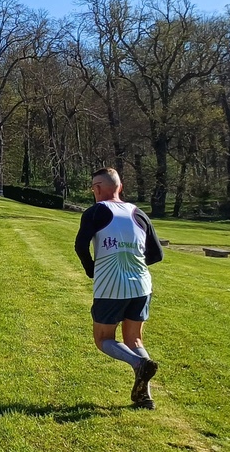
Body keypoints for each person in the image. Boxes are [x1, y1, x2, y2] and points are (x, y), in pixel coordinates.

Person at [74, 167, 164, 409]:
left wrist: (91, 269)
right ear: (120, 187)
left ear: (97, 189)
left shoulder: (95, 211)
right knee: (135, 340)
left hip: (111, 285)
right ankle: (145, 398)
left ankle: (138, 364)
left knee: (103, 339)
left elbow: (80, 245)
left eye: (93, 187)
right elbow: (157, 254)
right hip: (142, 285)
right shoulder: (139, 213)